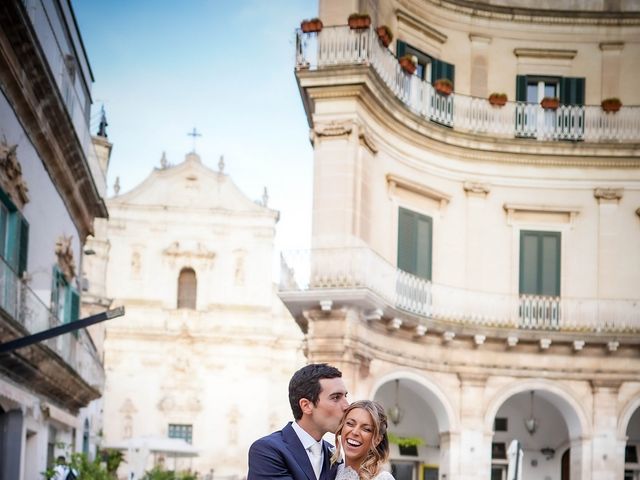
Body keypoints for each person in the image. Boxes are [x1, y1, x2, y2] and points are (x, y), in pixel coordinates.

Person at [248, 363, 349, 480]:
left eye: (345, 396)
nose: (347, 406)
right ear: (306, 406)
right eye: (336, 397)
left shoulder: (334, 455)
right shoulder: (267, 451)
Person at [332, 401, 394, 480]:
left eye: (366, 429)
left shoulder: (382, 478)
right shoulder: (333, 471)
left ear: (377, 440)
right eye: (350, 424)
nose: (355, 432)